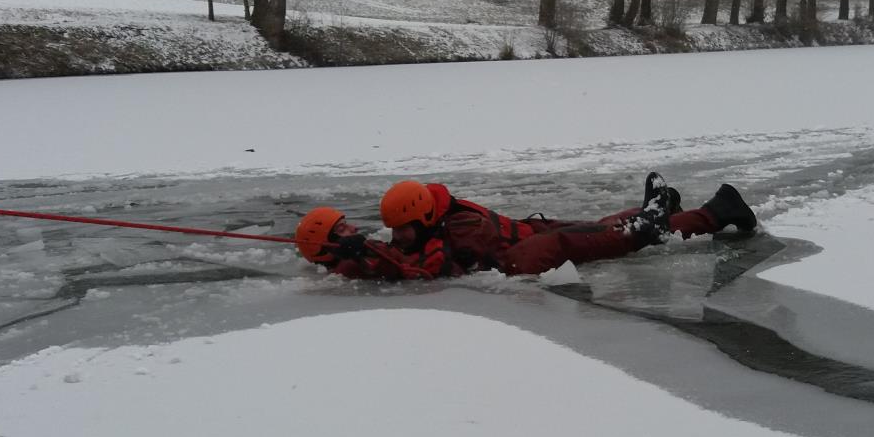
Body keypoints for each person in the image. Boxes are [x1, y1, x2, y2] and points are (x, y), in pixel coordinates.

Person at [295, 173, 757, 279]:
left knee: (600, 234)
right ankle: (714, 210)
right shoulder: (426, 221)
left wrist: (365, 253)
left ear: (423, 219)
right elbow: (404, 256)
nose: (390, 237)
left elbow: (425, 269)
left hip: (525, 252)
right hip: (528, 236)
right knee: (592, 229)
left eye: (401, 231)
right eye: (343, 228)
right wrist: (362, 253)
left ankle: (653, 222)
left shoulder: (458, 230)